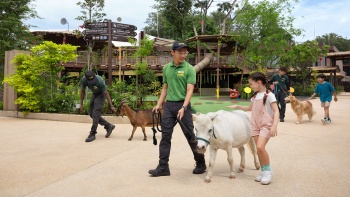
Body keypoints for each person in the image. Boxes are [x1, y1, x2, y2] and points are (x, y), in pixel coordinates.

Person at [148, 41, 206, 176]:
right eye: (180, 52)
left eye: (185, 52)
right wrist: (158, 104)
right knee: (165, 137)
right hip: (168, 106)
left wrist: (184, 107)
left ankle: (201, 163)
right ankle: (163, 167)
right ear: (172, 52)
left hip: (183, 106)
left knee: (190, 136)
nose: (183, 55)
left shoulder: (189, 69)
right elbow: (165, 88)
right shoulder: (166, 68)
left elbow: (190, 90)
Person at [227, 72, 279, 185]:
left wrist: (274, 125)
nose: (250, 86)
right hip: (255, 125)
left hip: (266, 125)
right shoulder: (255, 96)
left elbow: (276, 111)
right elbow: (250, 108)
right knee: (258, 148)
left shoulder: (269, 95)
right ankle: (263, 171)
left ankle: (268, 172)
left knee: (260, 147)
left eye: (251, 84)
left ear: (259, 83)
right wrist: (237, 106)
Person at [80, 70, 116, 142]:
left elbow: (106, 93)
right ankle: (108, 126)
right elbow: (83, 91)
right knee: (91, 113)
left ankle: (92, 133)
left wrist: (111, 105)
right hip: (95, 94)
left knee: (96, 113)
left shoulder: (99, 81)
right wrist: (81, 104)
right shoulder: (84, 79)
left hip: (101, 94)